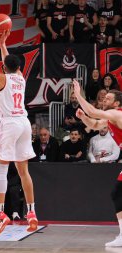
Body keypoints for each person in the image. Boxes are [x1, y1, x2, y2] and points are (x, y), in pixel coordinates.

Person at [0, 27, 38, 235]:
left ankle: (0, 214)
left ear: (4, 67)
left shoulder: (0, 78)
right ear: (18, 67)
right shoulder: (20, 77)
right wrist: (3, 43)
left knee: (1, 170)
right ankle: (32, 212)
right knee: (24, 172)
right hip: (24, 123)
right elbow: (10, 63)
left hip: (10, 124)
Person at [72, 79, 122, 247]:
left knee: (118, 193)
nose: (103, 100)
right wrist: (83, 118)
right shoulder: (110, 118)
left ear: (117, 103)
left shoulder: (117, 113)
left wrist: (78, 95)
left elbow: (93, 111)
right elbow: (93, 123)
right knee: (117, 194)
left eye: (107, 99)